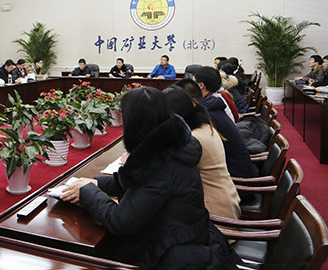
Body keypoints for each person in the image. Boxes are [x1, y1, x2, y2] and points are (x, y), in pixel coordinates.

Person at [60, 87, 237, 269]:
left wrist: (87, 192)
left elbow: (121, 222)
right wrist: (98, 183)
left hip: (173, 255)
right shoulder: (168, 147)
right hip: (184, 240)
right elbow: (138, 180)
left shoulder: (161, 164)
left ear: (135, 122)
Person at [163, 85, 241, 220]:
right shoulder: (205, 126)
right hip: (225, 199)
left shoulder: (193, 139)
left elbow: (167, 173)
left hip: (214, 214)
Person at [192, 67, 258, 178]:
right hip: (234, 166)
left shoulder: (209, 110)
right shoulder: (214, 101)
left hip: (234, 175)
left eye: (193, 83)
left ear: (201, 85)